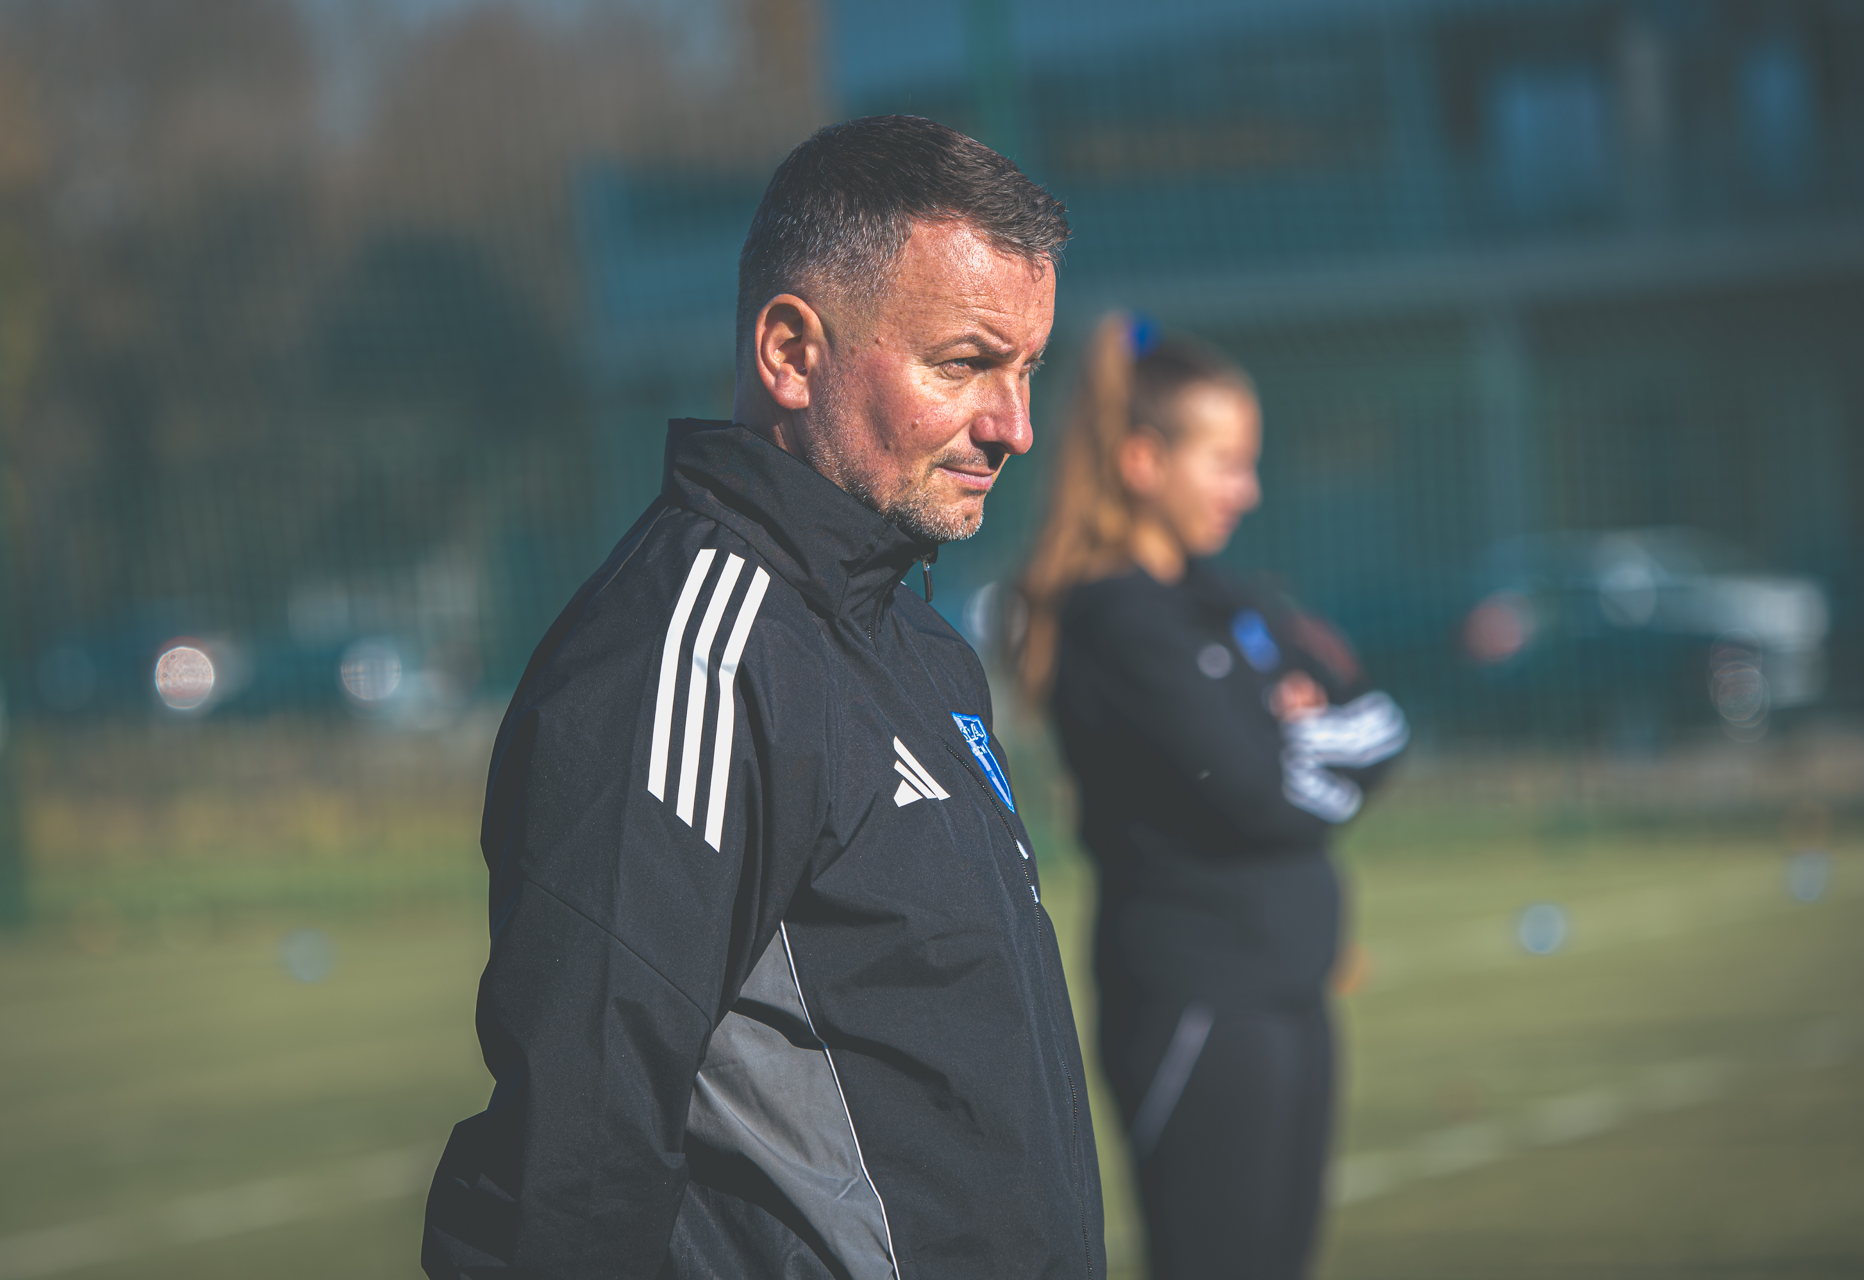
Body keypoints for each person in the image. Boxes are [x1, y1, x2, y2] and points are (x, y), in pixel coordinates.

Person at [422, 117, 1104, 1280]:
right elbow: (571, 1171)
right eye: (963, 364)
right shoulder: (685, 658)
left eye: (1027, 369)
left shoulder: (923, 646)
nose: (1016, 427)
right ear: (790, 352)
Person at [1015, 315, 1406, 1280]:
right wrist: (1291, 736)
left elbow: (1381, 725)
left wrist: (1285, 737)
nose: (1249, 490)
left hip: (1292, 989)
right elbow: (1257, 794)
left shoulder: (1235, 600)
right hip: (1199, 1001)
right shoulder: (1117, 619)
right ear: (1144, 462)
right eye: (1226, 463)